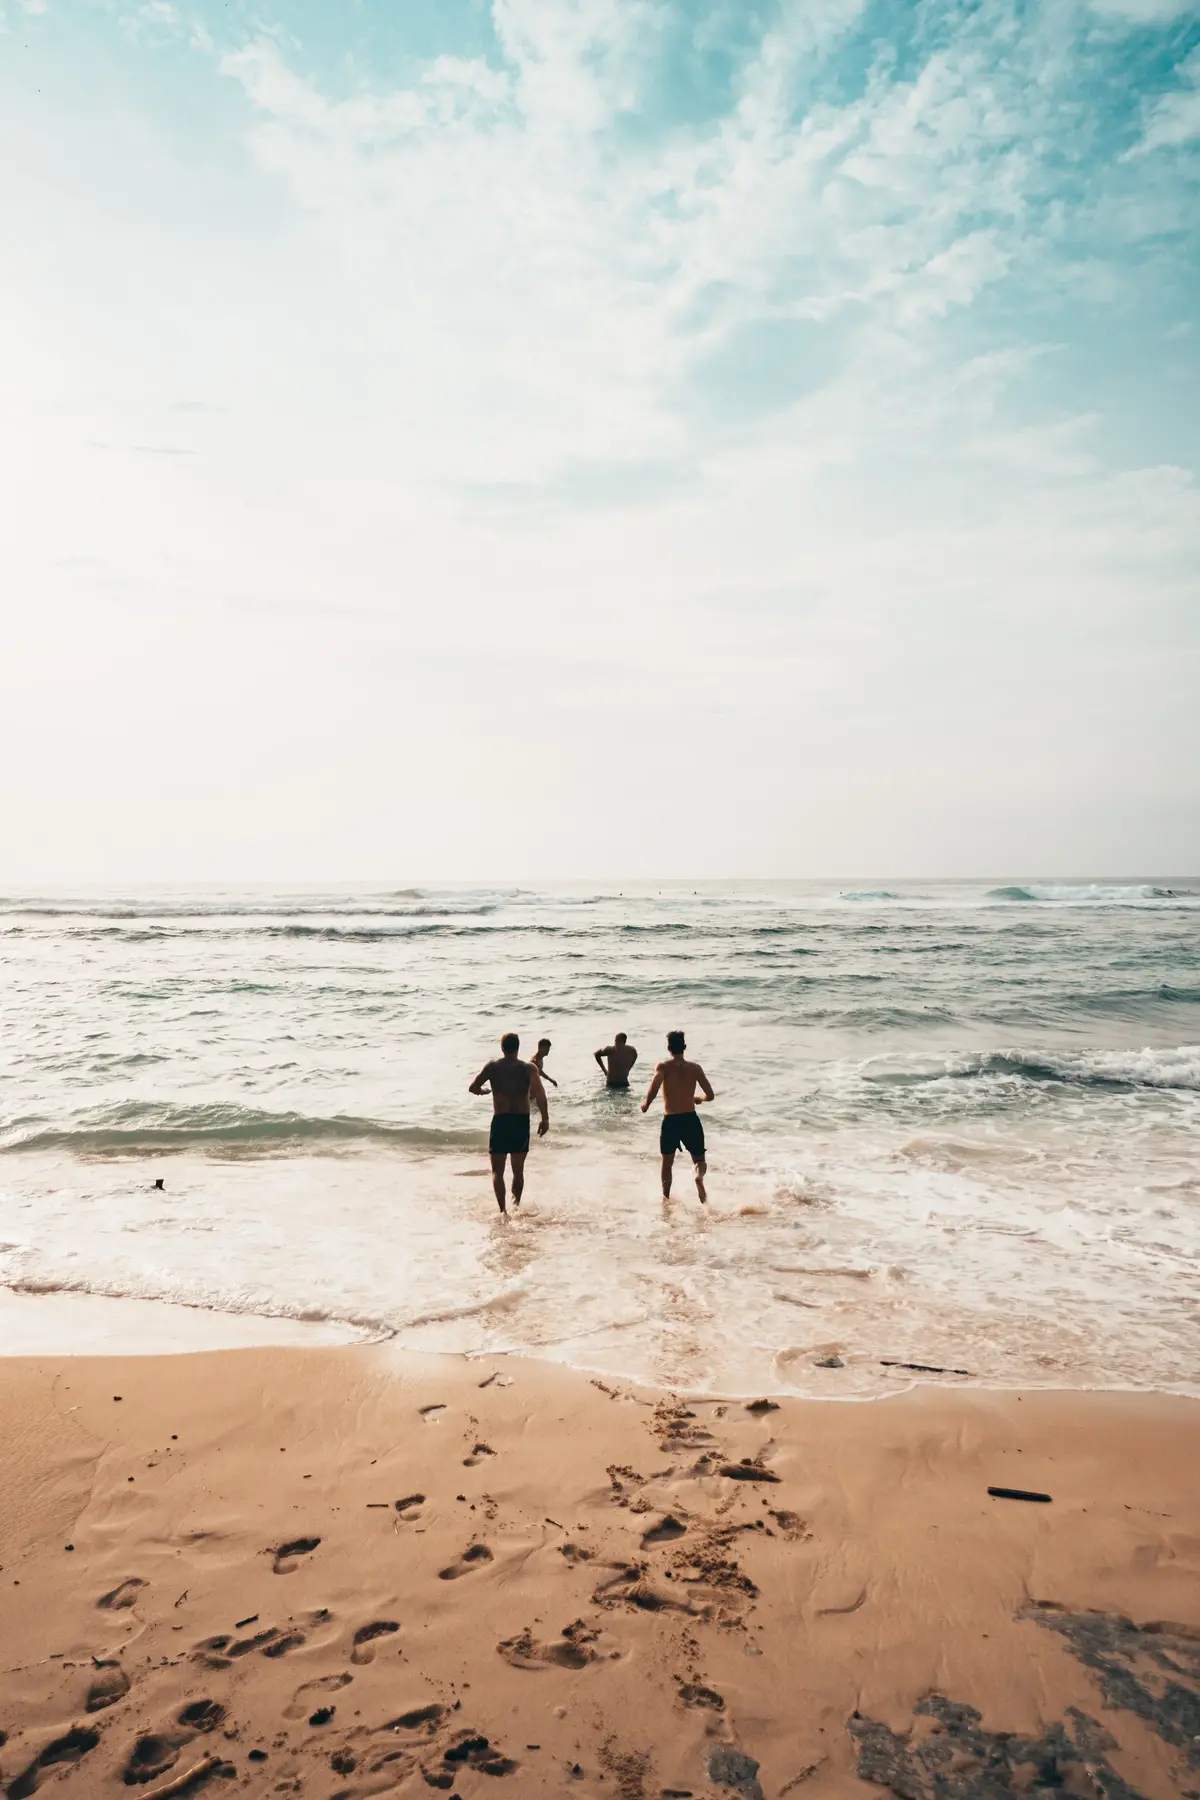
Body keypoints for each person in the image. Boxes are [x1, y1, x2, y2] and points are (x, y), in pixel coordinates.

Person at [469, 1033, 549, 1215]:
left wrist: (483, 1091)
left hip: (501, 1121)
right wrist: (545, 1119)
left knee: (497, 1171)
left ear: (502, 1048)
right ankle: (516, 1207)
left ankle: (503, 1211)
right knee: (518, 1171)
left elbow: (473, 1087)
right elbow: (540, 1093)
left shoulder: (493, 1067)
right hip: (520, 1122)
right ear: (518, 1047)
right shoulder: (529, 1068)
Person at [641, 1030, 714, 1202]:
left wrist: (646, 1104)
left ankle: (666, 1198)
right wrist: (699, 1099)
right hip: (690, 1119)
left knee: (667, 1163)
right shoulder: (695, 1068)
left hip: (671, 1120)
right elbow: (710, 1095)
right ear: (685, 1047)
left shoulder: (663, 1067)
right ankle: (699, 1177)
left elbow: (655, 1086)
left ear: (668, 1048)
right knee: (699, 1159)